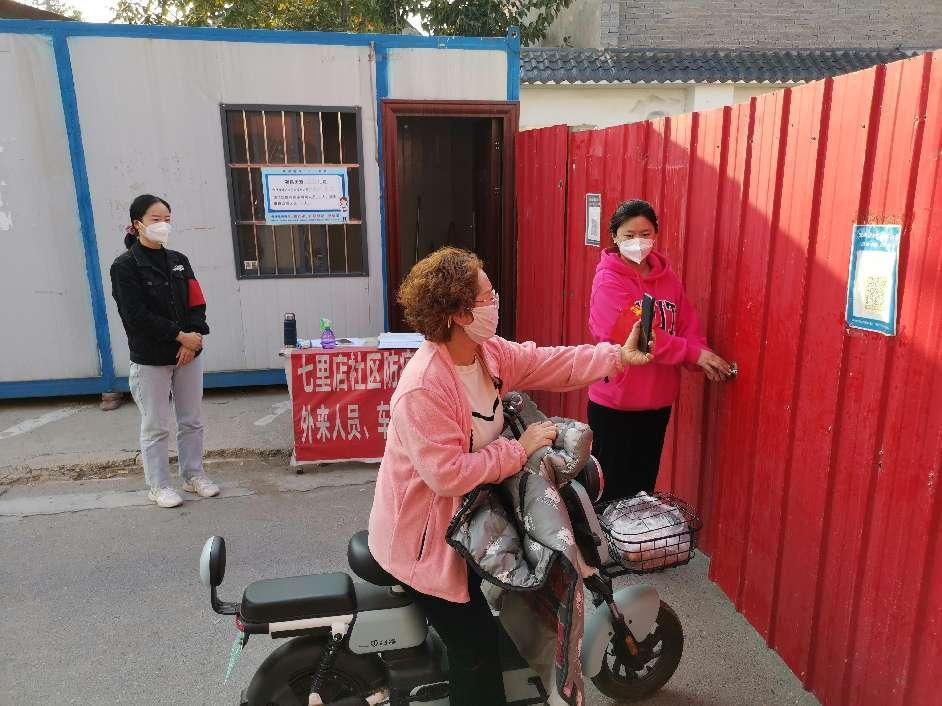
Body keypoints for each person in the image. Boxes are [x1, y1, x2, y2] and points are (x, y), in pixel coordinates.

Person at [367, 246, 653, 706]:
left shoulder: (487, 355)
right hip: (425, 546)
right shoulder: (424, 387)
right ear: (460, 313)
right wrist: (518, 450)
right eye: (488, 295)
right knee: (476, 651)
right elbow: (448, 475)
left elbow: (550, 363)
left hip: (468, 524)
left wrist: (616, 356)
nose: (495, 301)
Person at [587, 199, 732, 502]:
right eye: (629, 235)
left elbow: (687, 322)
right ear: (614, 237)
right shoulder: (607, 281)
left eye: (645, 234)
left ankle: (634, 535)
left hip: (656, 403)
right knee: (610, 495)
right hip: (616, 405)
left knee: (642, 493)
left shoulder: (667, 278)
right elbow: (638, 336)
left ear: (655, 235)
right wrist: (692, 354)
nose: (637, 242)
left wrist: (701, 356)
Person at [110, 194, 218, 509]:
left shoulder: (178, 260)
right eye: (156, 219)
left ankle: (193, 475)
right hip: (151, 359)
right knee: (156, 425)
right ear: (137, 224)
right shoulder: (125, 266)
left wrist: (193, 338)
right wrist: (179, 336)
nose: (163, 225)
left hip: (188, 355)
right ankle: (158, 485)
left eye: (167, 219)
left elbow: (197, 302)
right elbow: (135, 315)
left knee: (191, 420)